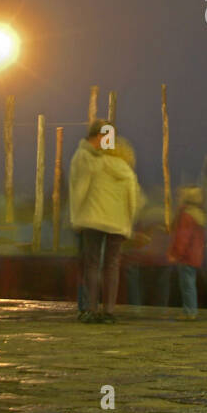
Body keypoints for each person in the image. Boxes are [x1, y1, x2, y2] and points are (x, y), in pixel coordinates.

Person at [69, 119, 140, 323]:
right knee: (112, 265)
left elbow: (79, 189)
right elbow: (132, 196)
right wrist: (129, 221)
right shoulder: (124, 166)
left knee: (91, 264)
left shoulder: (87, 158)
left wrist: (76, 218)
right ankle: (108, 311)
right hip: (118, 224)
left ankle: (91, 309)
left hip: (92, 219)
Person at [167, 185, 207, 320]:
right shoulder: (199, 215)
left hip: (186, 256)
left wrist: (175, 254)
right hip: (195, 255)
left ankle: (189, 311)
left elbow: (182, 237)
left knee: (187, 284)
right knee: (190, 283)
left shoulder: (186, 215)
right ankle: (191, 310)